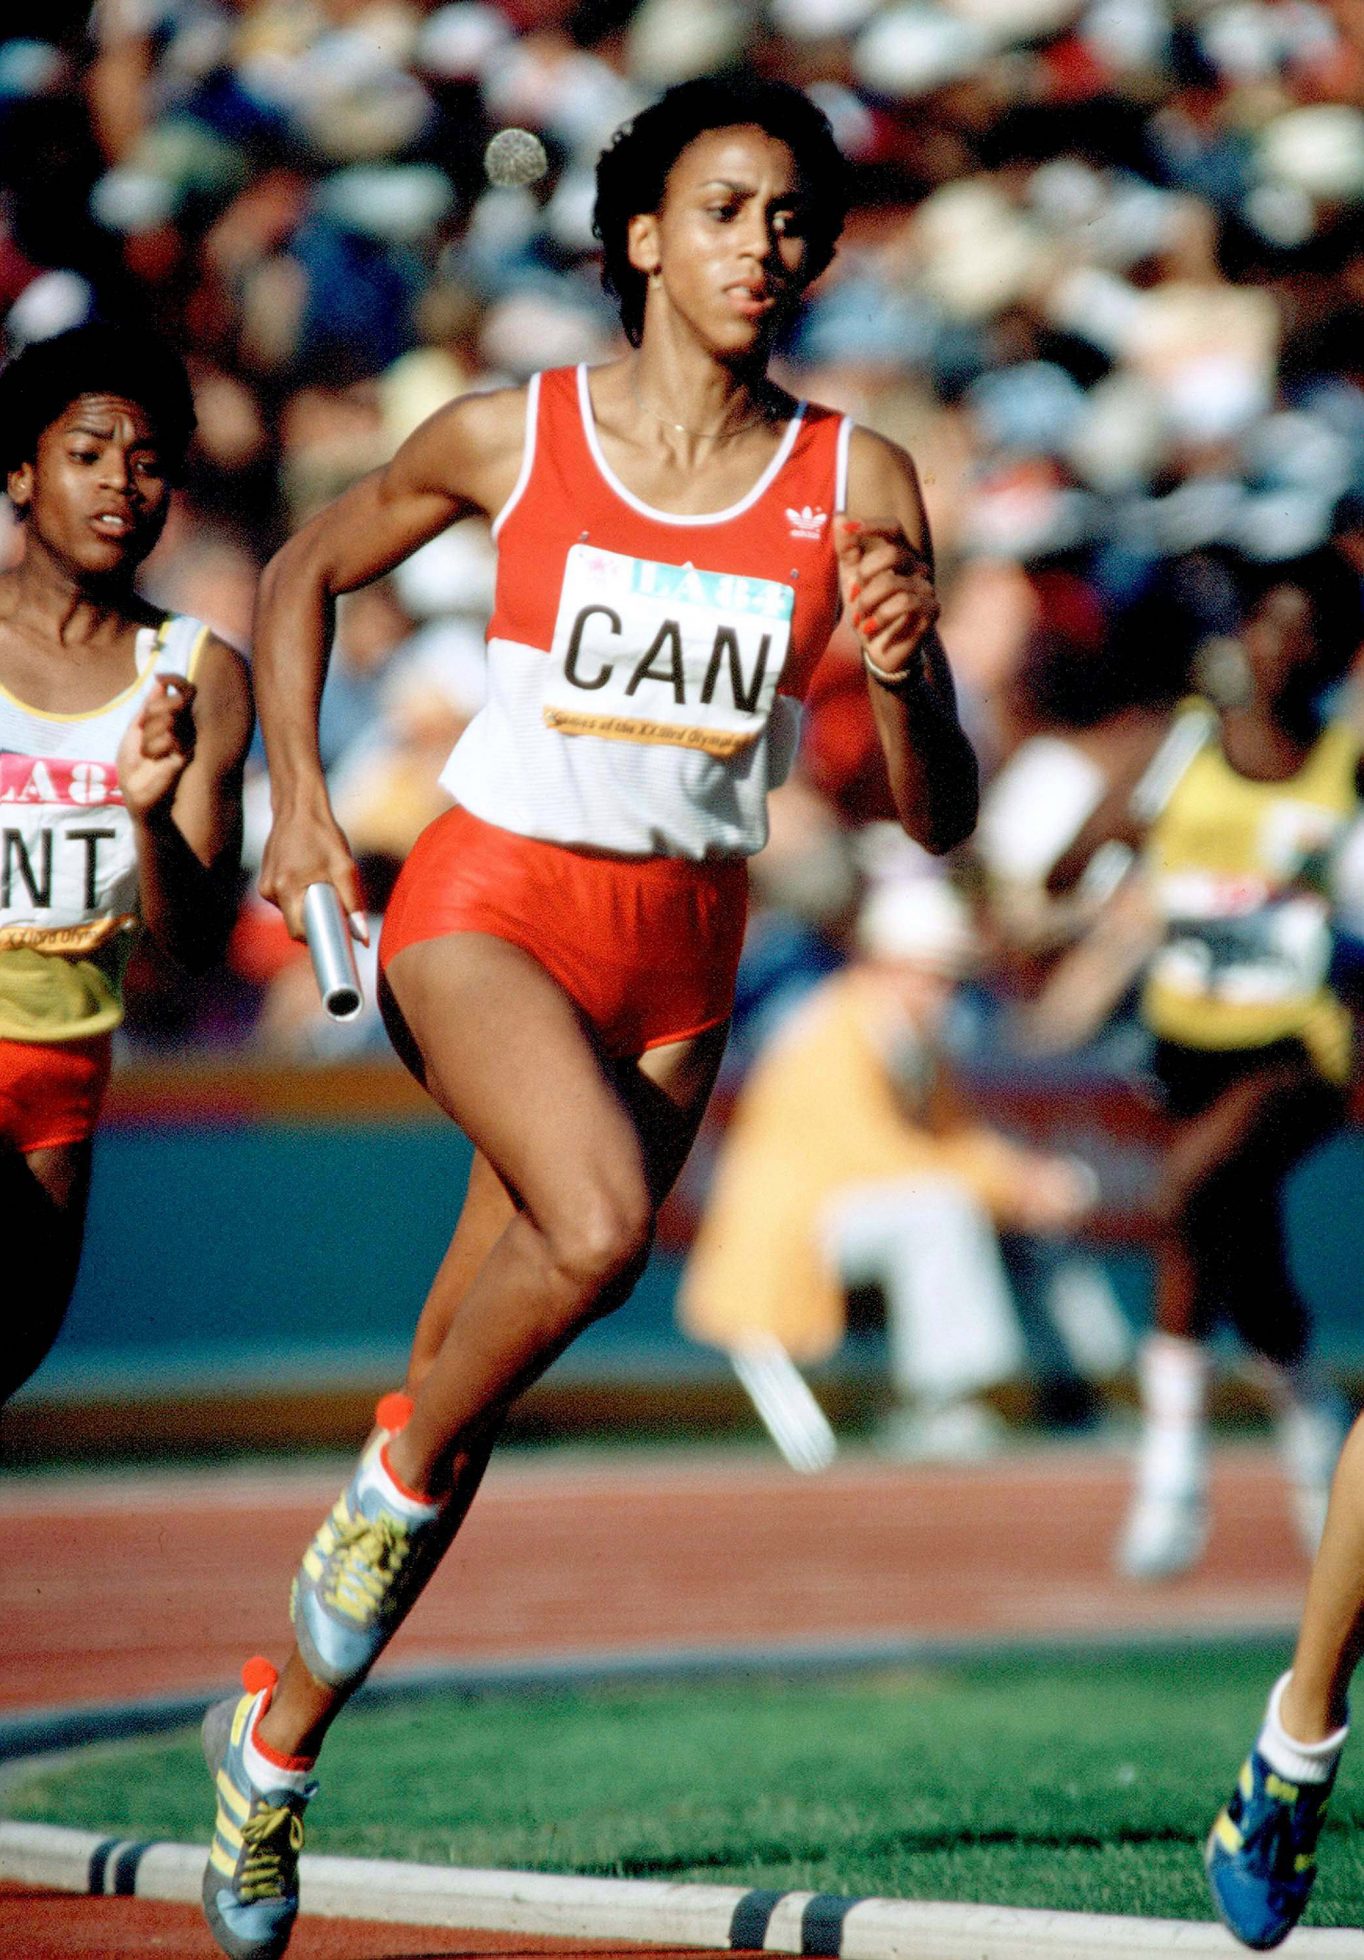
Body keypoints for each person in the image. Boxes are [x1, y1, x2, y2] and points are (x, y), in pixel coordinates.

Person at [200, 74, 978, 1960]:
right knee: (605, 1235)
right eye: (721, 210)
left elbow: (930, 809)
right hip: (487, 897)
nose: (759, 249)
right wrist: (297, 802)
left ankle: (273, 1744)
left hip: (680, 954)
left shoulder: (851, 483)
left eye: (790, 219)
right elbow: (304, 568)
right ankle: (368, 1492)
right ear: (640, 236)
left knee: (473, 1376)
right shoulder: (514, 434)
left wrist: (903, 670)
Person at [1099, 550, 1364, 1581]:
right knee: (1231, 1240)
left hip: (1299, 1048)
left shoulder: (1345, 770)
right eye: (1266, 624)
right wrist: (1083, 872)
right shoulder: (1182, 748)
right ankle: (1311, 1416)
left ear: (1338, 654)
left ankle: (1171, 1471)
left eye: (1306, 633)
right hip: (1186, 1041)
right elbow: (1084, 849)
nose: (1279, 651)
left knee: (1187, 1191)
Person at [0, 322, 252, 1406]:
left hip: (62, 1083)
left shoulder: (197, 676)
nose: (121, 484)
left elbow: (194, 950)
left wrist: (148, 817)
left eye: (148, 463)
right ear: (19, 470)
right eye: (89, 453)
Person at [680, 872, 1098, 1464]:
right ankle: (943, 1402)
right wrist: (1012, 1185)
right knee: (941, 1214)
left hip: (850, 1218)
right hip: (791, 1235)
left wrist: (1030, 1181)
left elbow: (959, 1138)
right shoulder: (831, 1030)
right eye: (931, 973)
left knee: (1025, 1221)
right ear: (883, 965)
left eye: (952, 976)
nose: (945, 991)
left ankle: (1078, 1390)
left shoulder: (910, 1039)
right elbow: (871, 1157)